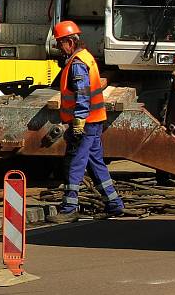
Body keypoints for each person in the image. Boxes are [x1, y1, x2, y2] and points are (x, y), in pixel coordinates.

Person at [47, 20, 124, 223]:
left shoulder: (78, 64)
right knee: (95, 162)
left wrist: (79, 120)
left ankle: (70, 207)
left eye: (60, 43)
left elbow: (82, 93)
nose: (58, 47)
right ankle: (114, 204)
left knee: (75, 163)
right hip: (94, 121)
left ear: (70, 42)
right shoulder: (85, 57)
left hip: (86, 123)